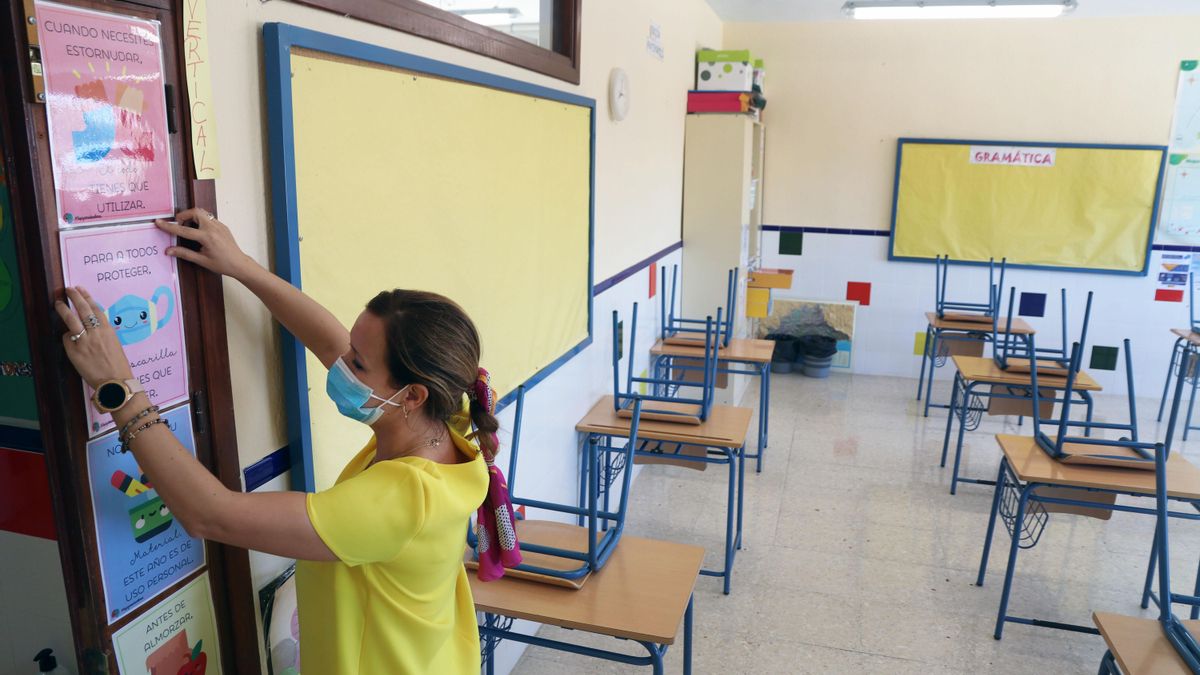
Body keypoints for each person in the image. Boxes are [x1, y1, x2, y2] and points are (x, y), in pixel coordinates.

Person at [54, 208, 509, 674]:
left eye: (357, 363)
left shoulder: (401, 498)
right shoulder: (442, 424)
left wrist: (119, 387)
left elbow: (211, 515)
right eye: (350, 351)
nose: (341, 364)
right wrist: (240, 264)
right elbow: (328, 338)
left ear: (411, 394)